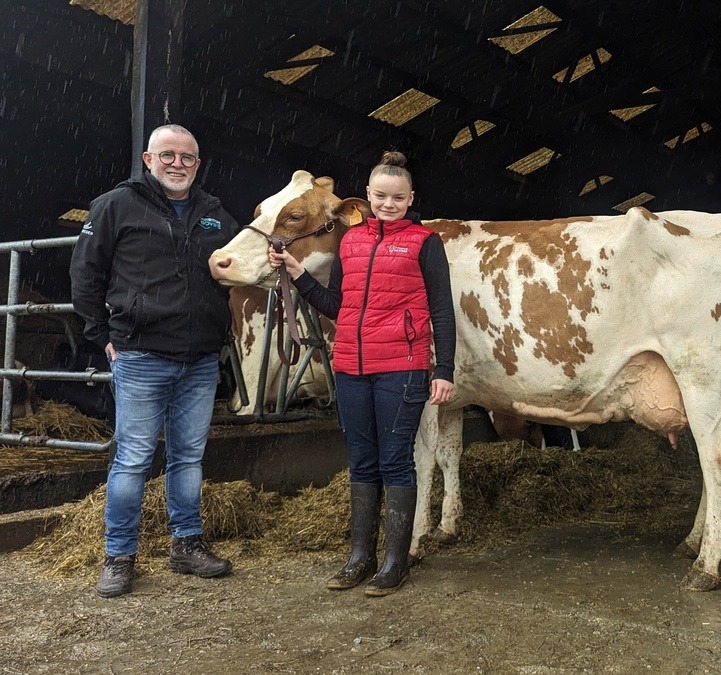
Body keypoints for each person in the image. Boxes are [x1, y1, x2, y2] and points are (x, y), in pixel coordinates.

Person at [269, 151, 455, 597]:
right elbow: (336, 306)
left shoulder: (424, 243)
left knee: (395, 460)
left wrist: (443, 370)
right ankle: (359, 557)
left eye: (397, 197)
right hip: (351, 367)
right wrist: (296, 274)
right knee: (362, 461)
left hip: (403, 368)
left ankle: (395, 562)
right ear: (366, 197)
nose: (388, 204)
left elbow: (442, 310)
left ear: (411, 199)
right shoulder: (349, 243)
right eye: (380, 196)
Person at [70, 124, 240, 598]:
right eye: (168, 155)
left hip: (201, 358)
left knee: (188, 457)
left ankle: (186, 545)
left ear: (198, 164)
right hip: (141, 354)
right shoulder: (116, 205)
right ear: (148, 159)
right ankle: (119, 555)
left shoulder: (213, 214)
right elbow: (85, 275)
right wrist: (100, 336)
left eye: (188, 158)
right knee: (134, 457)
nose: (178, 164)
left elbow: (239, 264)